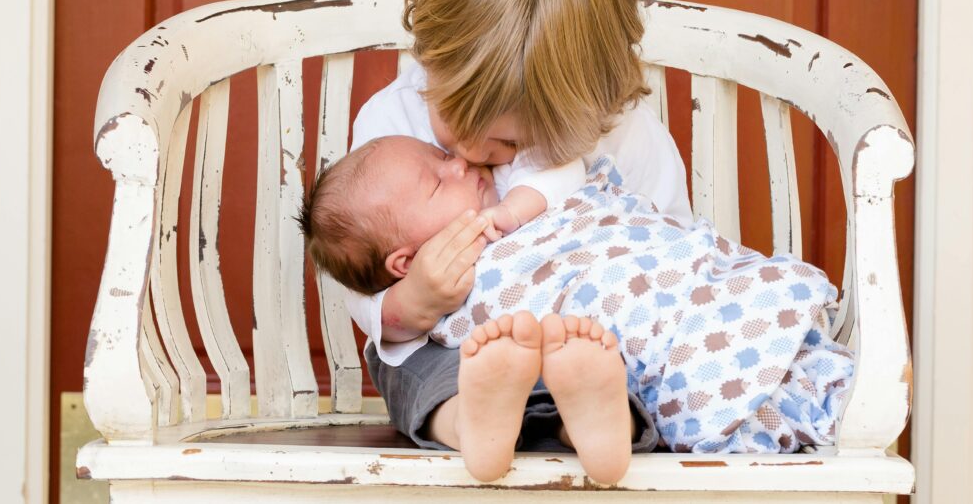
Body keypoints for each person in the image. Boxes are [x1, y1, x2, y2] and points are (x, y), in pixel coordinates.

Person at [337, 0, 692, 483]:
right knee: (410, 368)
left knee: (626, 370)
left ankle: (601, 422)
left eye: (507, 141)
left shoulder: (626, 133)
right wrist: (411, 303)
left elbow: (673, 247)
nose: (472, 152)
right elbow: (360, 263)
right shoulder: (393, 119)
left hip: (594, 341)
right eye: (452, 118)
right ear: (431, 57)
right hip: (462, 350)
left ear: (586, 111)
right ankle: (470, 421)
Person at [300, 138, 853, 481]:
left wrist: (522, 211)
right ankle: (526, 419)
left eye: (445, 158)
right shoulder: (387, 131)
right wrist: (414, 300)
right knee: (419, 355)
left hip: (636, 309)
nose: (464, 166)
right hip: (520, 346)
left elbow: (608, 211)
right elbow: (371, 296)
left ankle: (590, 417)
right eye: (437, 180)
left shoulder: (534, 170)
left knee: (584, 343)